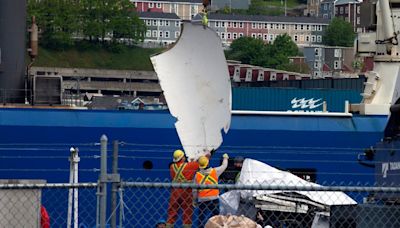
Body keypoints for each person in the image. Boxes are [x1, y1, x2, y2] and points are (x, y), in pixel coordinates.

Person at [193, 153, 229, 228]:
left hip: (202, 199)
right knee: (216, 217)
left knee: (201, 218)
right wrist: (225, 158)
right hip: (213, 198)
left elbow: (194, 190)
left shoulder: (197, 175)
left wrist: (195, 200)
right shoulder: (215, 171)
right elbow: (224, 166)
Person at [166, 149, 199, 228]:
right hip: (186, 191)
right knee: (187, 211)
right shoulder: (189, 166)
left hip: (175, 191)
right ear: (182, 158)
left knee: (172, 210)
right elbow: (198, 164)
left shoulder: (171, 167)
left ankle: (169, 226)